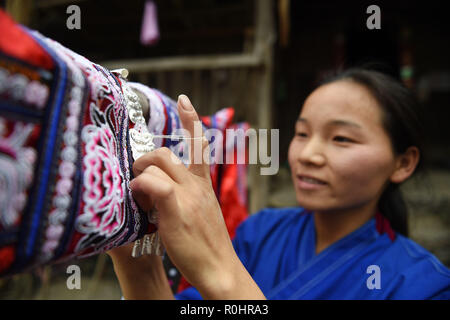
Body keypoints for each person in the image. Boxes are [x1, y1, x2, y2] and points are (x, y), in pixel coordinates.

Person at [107, 68, 450, 299]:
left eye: (342, 139)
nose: (307, 154)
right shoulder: (260, 233)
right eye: (302, 134)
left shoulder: (424, 286)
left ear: (403, 163)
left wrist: (224, 278)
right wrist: (134, 256)